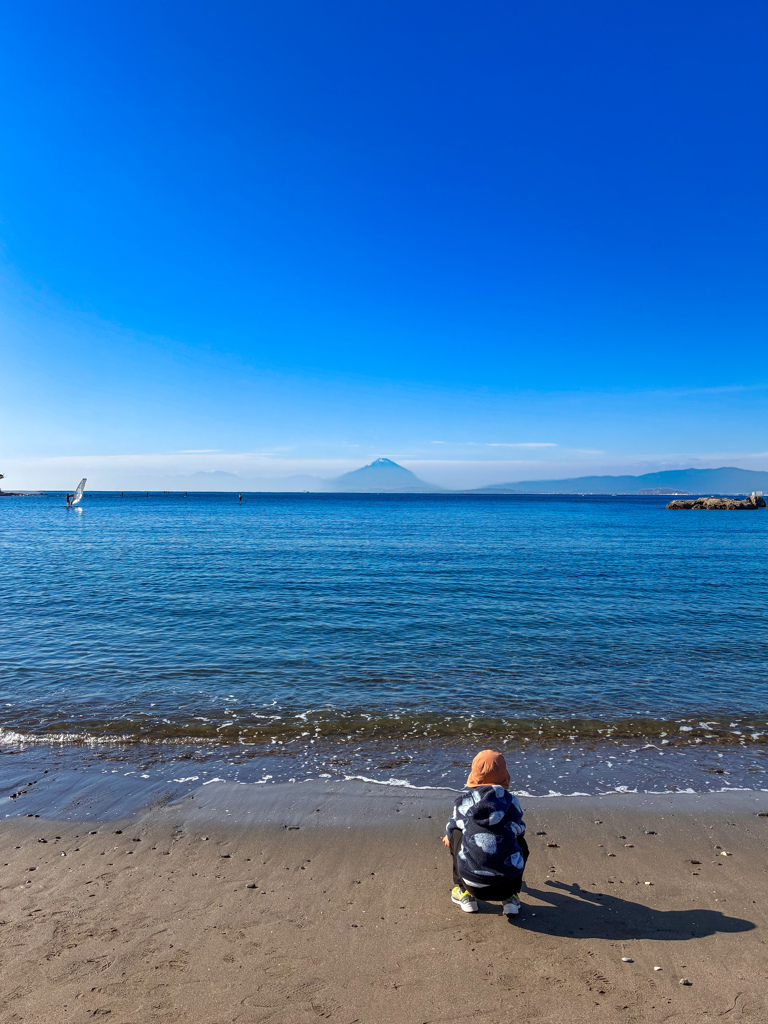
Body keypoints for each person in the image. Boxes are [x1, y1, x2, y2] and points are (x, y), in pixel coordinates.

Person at [442, 749, 529, 916]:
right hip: (507, 885)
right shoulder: (511, 802)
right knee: (519, 840)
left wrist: (449, 836)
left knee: (456, 832)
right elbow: (520, 828)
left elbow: (452, 824)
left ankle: (464, 893)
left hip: (473, 884)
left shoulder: (464, 801)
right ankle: (511, 898)